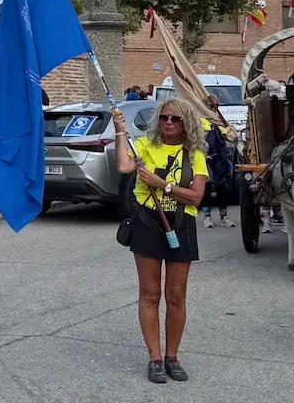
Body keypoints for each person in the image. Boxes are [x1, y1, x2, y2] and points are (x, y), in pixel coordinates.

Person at [113, 99, 209, 383]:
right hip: (147, 223)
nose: (169, 122)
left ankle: (172, 357)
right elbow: (123, 166)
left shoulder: (195, 156)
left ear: (186, 124)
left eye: (176, 119)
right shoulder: (144, 146)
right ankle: (155, 358)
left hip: (181, 225)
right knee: (150, 293)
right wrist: (120, 130)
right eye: (165, 117)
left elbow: (196, 197)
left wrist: (162, 184)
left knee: (176, 296)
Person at [200, 95, 235, 229]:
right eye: (212, 106)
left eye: (216, 105)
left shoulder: (220, 120)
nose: (215, 108)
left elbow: (229, 135)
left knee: (222, 187)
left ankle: (224, 216)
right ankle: (207, 217)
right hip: (206, 158)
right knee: (207, 188)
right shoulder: (201, 120)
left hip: (220, 158)